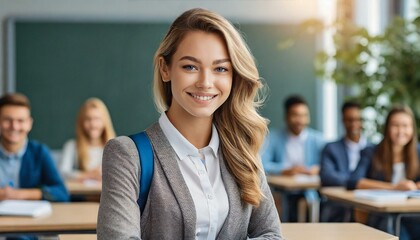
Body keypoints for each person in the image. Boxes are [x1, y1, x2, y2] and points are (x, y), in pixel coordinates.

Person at [97, 8, 282, 240]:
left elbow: (271, 234)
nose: (205, 82)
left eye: (221, 69)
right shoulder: (127, 155)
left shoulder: (243, 152)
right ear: (165, 69)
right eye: (190, 67)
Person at [348, 105, 420, 240]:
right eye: (395, 125)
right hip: (382, 217)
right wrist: (394, 188)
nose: (401, 131)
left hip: (414, 216)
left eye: (405, 126)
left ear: (412, 129)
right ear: (387, 128)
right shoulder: (371, 152)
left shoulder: (418, 153)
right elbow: (353, 181)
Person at [261, 94, 325, 222]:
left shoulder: (318, 139)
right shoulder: (273, 137)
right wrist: (285, 170)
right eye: (295, 115)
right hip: (283, 192)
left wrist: (318, 169)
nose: (300, 120)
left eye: (304, 115)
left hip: (310, 191)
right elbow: (262, 163)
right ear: (286, 116)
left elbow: (327, 164)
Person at [0, 93, 68, 202]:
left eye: (20, 121)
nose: (14, 126)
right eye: (7, 120)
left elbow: (61, 193)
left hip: (29, 217)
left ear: (29, 124)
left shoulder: (40, 152)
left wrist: (18, 194)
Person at [320, 101, 368, 222]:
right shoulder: (331, 148)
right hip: (339, 204)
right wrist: (354, 183)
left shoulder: (372, 149)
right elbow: (327, 176)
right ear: (343, 121)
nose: (354, 124)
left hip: (367, 202)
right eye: (349, 120)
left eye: (357, 119)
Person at [60, 98, 115, 181]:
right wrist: (89, 175)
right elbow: (62, 173)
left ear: (104, 121)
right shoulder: (72, 145)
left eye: (97, 119)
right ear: (81, 122)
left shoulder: (114, 147)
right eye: (88, 119)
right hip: (81, 193)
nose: (92, 124)